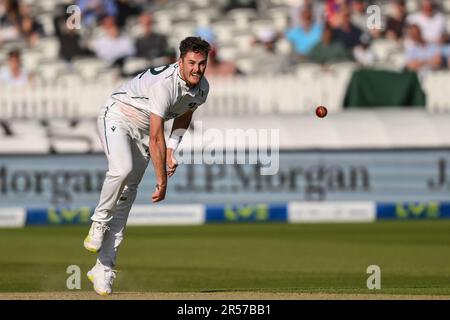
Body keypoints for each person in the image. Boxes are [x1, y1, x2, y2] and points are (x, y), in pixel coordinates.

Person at [83, 37, 211, 296]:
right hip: (118, 115)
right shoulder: (166, 85)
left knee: (126, 198)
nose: (197, 69)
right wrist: (162, 179)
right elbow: (156, 137)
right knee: (122, 169)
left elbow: (184, 115)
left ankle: (104, 269)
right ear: (180, 61)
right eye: (191, 63)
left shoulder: (202, 88)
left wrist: (172, 150)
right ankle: (98, 221)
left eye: (202, 63)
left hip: (142, 131)